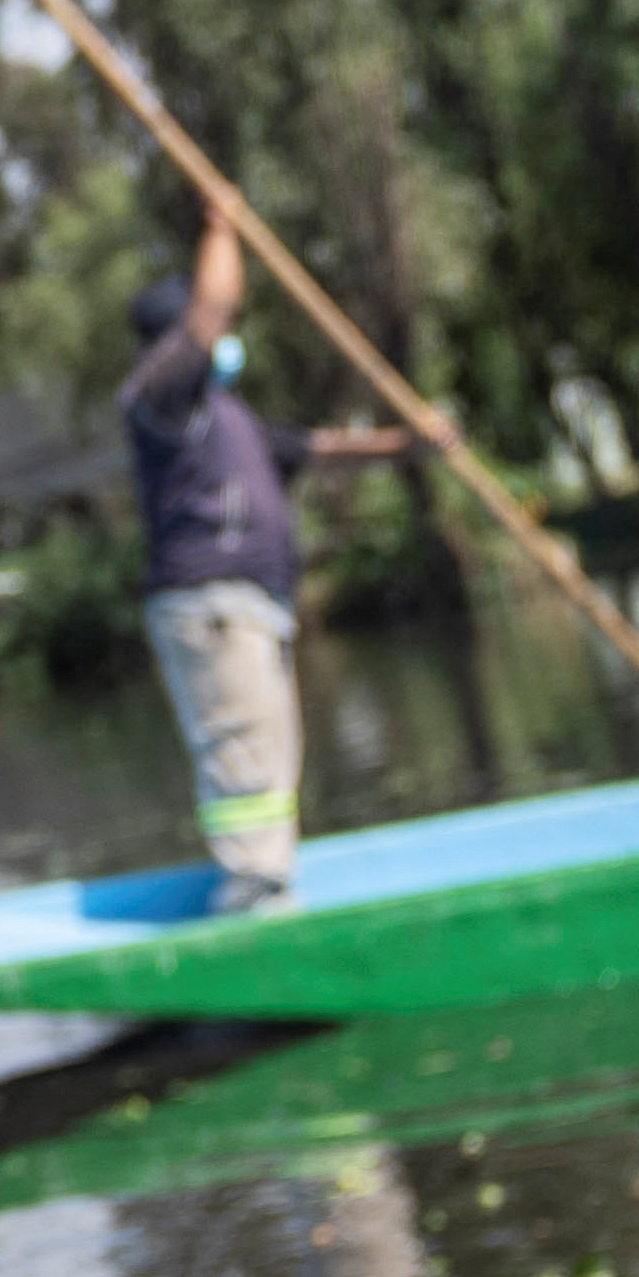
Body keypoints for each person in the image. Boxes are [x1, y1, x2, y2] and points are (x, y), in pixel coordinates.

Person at [121, 211, 409, 913]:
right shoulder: (160, 394)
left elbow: (316, 447)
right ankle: (253, 895)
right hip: (213, 605)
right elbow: (217, 305)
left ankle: (264, 881)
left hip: (249, 607)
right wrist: (220, 223)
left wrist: (410, 444)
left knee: (269, 756)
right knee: (246, 760)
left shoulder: (228, 414)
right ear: (179, 336)